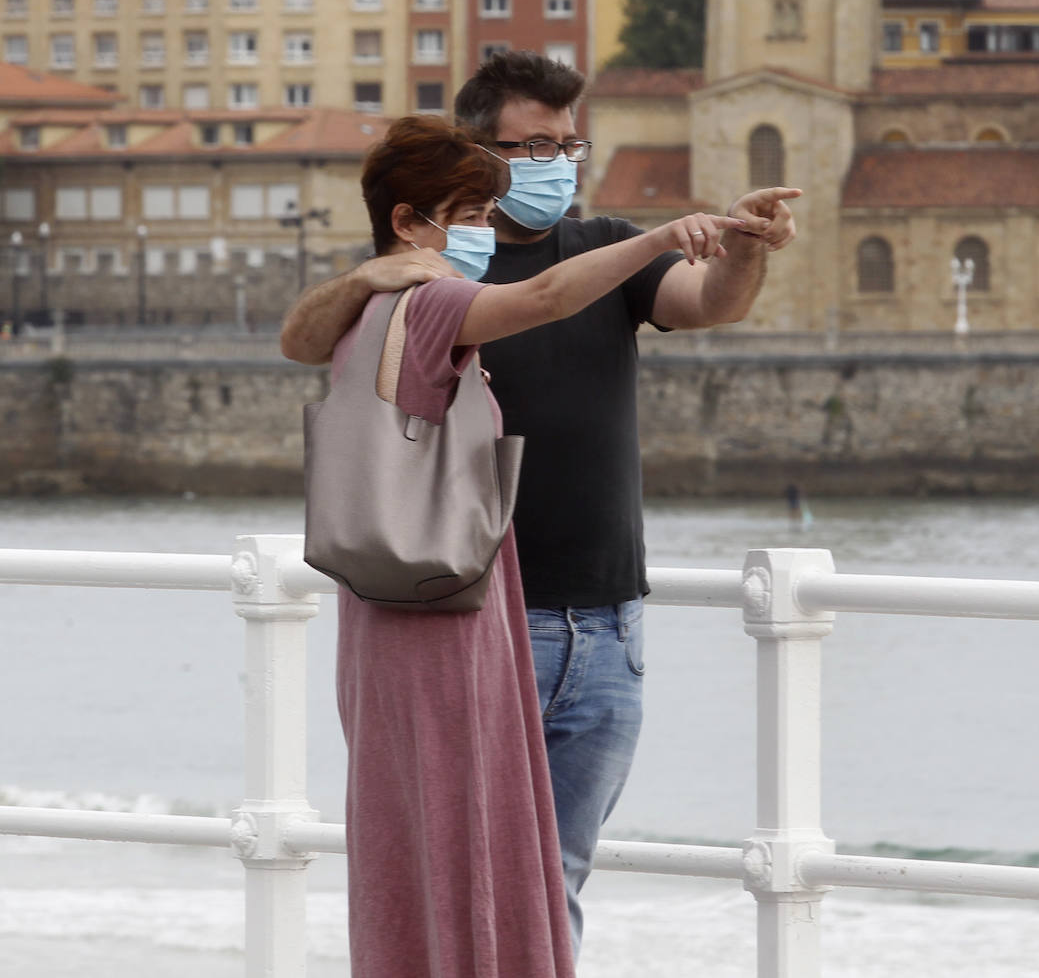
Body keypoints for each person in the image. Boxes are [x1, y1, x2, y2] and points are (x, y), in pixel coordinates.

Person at [281, 51, 799, 954]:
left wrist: (739, 248)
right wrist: (367, 275)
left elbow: (712, 303)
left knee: (550, 872)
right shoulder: (427, 276)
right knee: (497, 876)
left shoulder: (591, 245)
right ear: (479, 151)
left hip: (603, 624)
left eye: (571, 143)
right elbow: (304, 337)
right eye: (533, 145)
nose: (558, 161)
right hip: (482, 618)